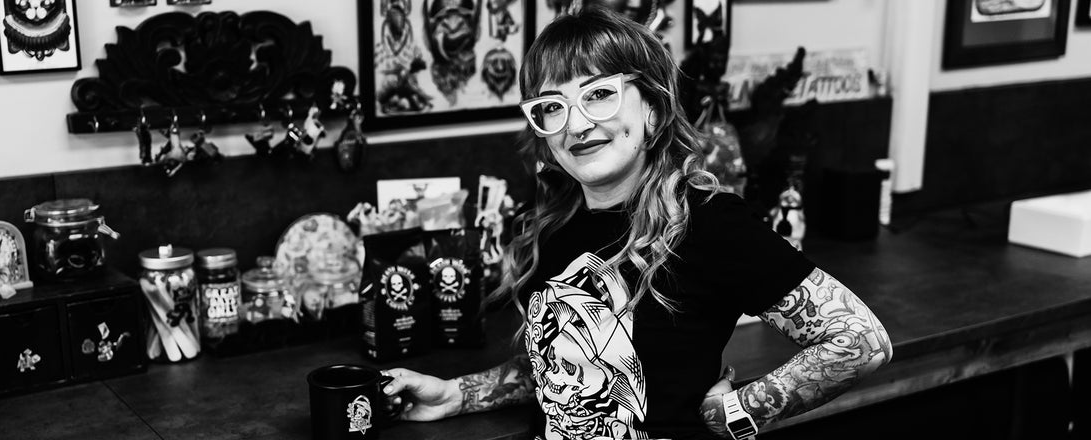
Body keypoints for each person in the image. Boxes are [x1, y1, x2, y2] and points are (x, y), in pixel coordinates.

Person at [382, 6, 892, 440]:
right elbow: (564, 367)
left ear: (652, 108)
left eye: (599, 94)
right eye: (551, 107)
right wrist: (455, 394)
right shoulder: (554, 226)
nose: (577, 124)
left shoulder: (709, 224)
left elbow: (860, 341)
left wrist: (734, 413)